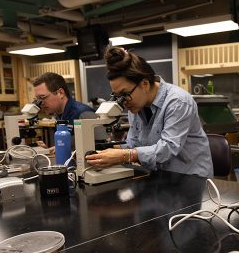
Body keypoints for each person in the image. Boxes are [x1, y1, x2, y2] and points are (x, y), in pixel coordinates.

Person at [85, 47, 213, 178]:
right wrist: (104, 154)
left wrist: (123, 156)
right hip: (161, 178)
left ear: (145, 84)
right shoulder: (135, 106)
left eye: (125, 94)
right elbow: (132, 144)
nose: (123, 102)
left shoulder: (178, 102)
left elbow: (167, 148)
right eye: (117, 96)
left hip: (192, 180)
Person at [33, 72, 96, 151]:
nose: (40, 103)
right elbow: (70, 146)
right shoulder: (59, 115)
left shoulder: (84, 114)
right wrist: (48, 151)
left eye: (43, 97)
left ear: (60, 93)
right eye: (38, 99)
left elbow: (102, 148)